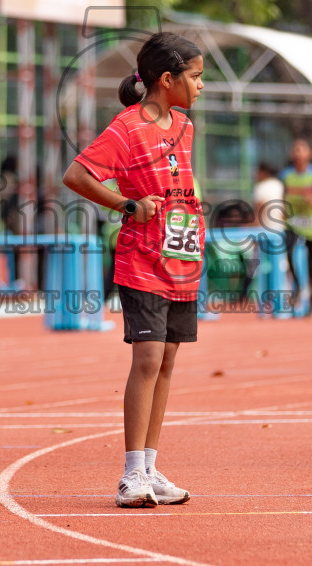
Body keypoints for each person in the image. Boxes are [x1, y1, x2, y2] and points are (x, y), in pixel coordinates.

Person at [62, 32, 205, 508]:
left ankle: (150, 467)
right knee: (146, 360)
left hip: (182, 256)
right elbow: (77, 175)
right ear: (167, 80)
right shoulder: (125, 129)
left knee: (166, 362)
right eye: (196, 77)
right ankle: (129, 475)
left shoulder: (185, 126)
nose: (201, 86)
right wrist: (126, 203)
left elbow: (182, 181)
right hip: (142, 259)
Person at [280, 140, 312, 318]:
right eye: (295, 149)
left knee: (311, 264)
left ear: (309, 154)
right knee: (289, 255)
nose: (297, 153)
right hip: (292, 222)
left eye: (301, 149)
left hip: (311, 225)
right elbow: (281, 196)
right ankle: (298, 286)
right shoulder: (286, 175)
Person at [250, 162, 283, 226]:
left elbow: (261, 209)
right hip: (280, 227)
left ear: (263, 173)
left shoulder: (260, 186)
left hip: (266, 228)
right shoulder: (278, 184)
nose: (256, 174)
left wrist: (251, 226)